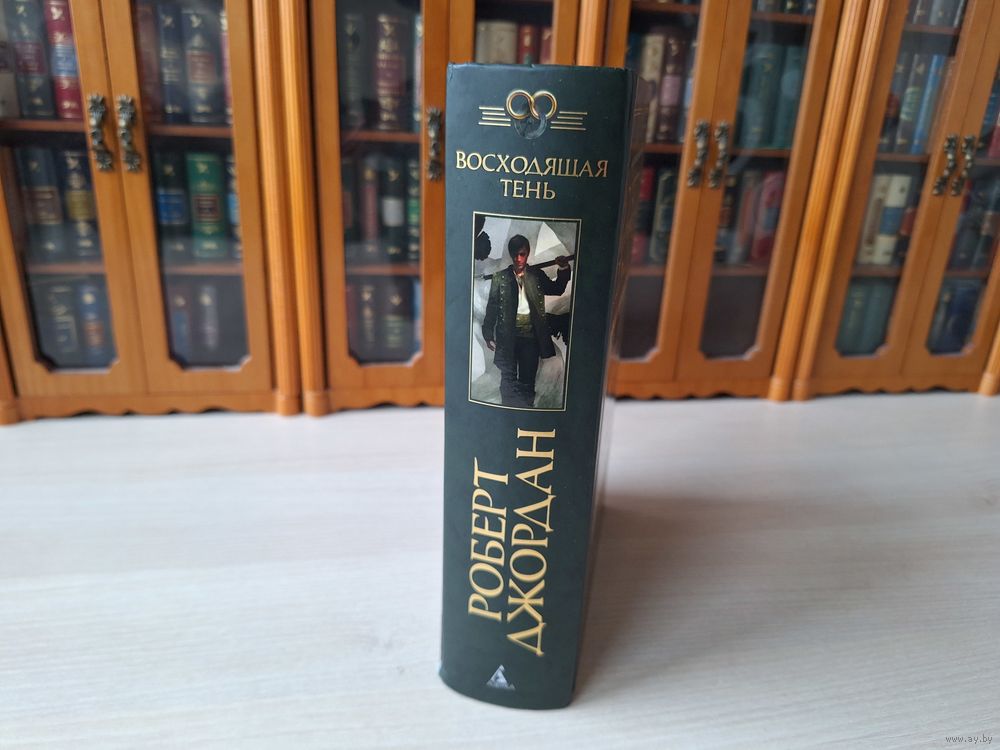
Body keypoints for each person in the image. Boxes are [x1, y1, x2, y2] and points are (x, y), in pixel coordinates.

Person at [482, 234, 570, 407]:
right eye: (515, 254)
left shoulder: (536, 275)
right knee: (507, 379)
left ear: (527, 253)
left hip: (531, 337)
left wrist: (563, 267)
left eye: (522, 254)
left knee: (527, 380)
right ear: (511, 254)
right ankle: (507, 412)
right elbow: (491, 308)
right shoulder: (500, 278)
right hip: (507, 337)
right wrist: (487, 334)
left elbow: (557, 289)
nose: (518, 258)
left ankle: (525, 411)